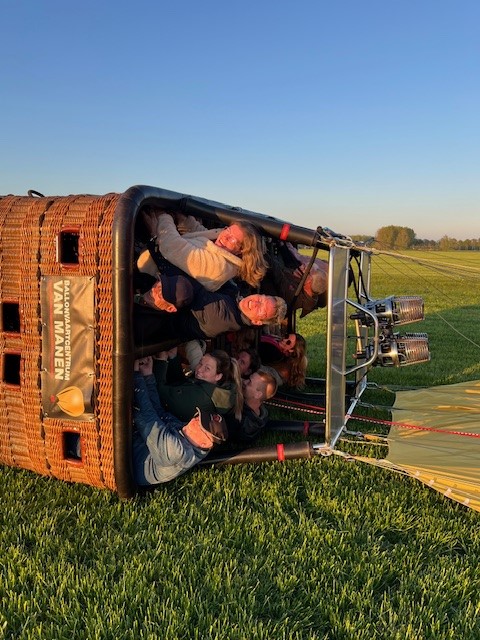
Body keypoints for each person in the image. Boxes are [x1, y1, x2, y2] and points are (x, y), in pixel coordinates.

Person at [132, 357, 228, 486]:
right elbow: (160, 413)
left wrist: (136, 375)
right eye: (198, 417)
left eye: (200, 424)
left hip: (121, 461)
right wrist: (148, 375)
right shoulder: (187, 432)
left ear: (205, 443)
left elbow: (147, 418)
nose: (194, 420)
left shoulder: (177, 452)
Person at [133, 274, 287, 346]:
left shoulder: (221, 315)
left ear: (257, 322)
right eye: (261, 298)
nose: (255, 303)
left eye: (260, 310)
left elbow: (187, 287)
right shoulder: (237, 299)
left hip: (155, 316)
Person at [139, 210, 267, 290]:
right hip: (148, 259)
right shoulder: (222, 246)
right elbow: (203, 235)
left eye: (233, 239)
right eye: (227, 230)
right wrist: (184, 219)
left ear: (241, 250)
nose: (225, 237)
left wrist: (164, 216)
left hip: (147, 280)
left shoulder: (219, 267)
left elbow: (173, 246)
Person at [152, 348, 243, 422]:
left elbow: (162, 393)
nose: (199, 369)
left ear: (218, 376)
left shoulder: (201, 398)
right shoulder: (212, 389)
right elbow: (181, 386)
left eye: (207, 368)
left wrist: (161, 362)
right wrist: (173, 358)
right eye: (200, 363)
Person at [225, 369, 278, 443]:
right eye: (248, 379)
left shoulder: (239, 421)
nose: (244, 381)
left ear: (257, 394)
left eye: (249, 382)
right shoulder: (262, 414)